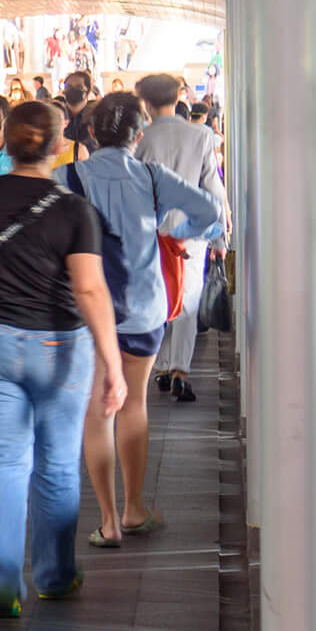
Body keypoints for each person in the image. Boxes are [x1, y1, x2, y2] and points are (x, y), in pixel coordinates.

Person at [0, 101, 126, 617]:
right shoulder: (73, 209)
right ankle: (55, 575)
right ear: (59, 144)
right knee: (58, 463)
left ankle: (1, 581)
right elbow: (89, 290)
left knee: (0, 461)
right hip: (60, 350)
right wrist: (112, 363)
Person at [65, 93, 226, 547]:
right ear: (139, 135)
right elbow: (211, 212)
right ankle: (136, 508)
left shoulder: (68, 176)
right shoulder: (154, 177)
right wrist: (176, 231)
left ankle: (108, 519)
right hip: (143, 308)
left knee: (98, 411)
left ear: (92, 132)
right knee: (133, 403)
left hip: (87, 313)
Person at [131, 74, 226, 403]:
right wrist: (220, 239)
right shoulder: (200, 136)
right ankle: (180, 371)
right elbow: (213, 188)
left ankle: (158, 365)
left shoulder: (140, 139)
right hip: (192, 233)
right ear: (178, 97)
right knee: (188, 298)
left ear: (145, 102)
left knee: (157, 296)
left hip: (151, 232)